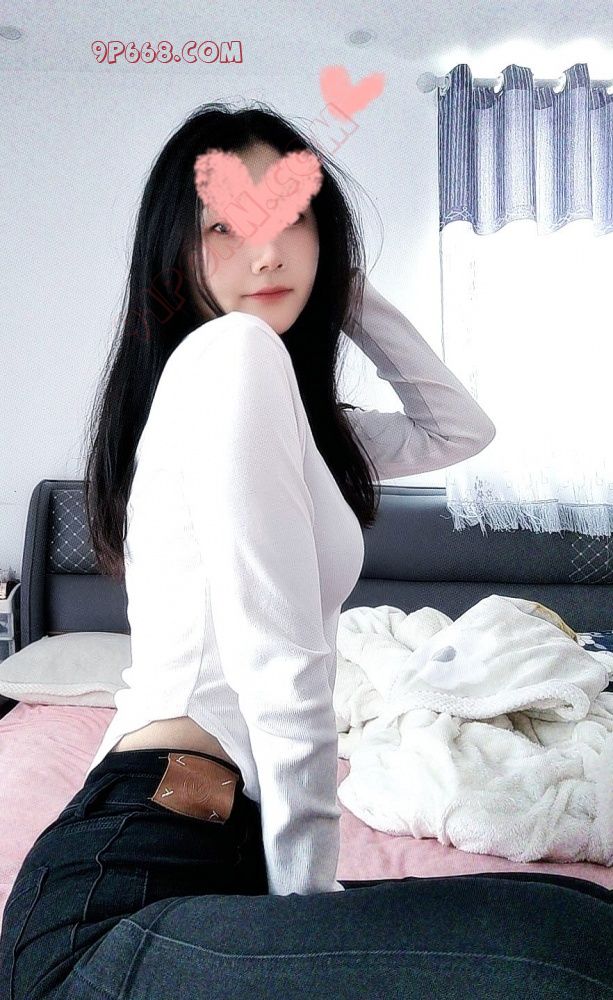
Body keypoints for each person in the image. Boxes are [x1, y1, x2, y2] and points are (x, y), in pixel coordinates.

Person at [1, 100, 610, 1000]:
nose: (267, 252)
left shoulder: (300, 422)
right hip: (114, 903)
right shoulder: (232, 352)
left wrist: (344, 290)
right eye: (226, 226)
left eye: (290, 219)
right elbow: (278, 663)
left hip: (210, 852)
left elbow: (457, 429)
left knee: (574, 916)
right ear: (175, 251)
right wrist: (308, 900)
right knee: (566, 957)